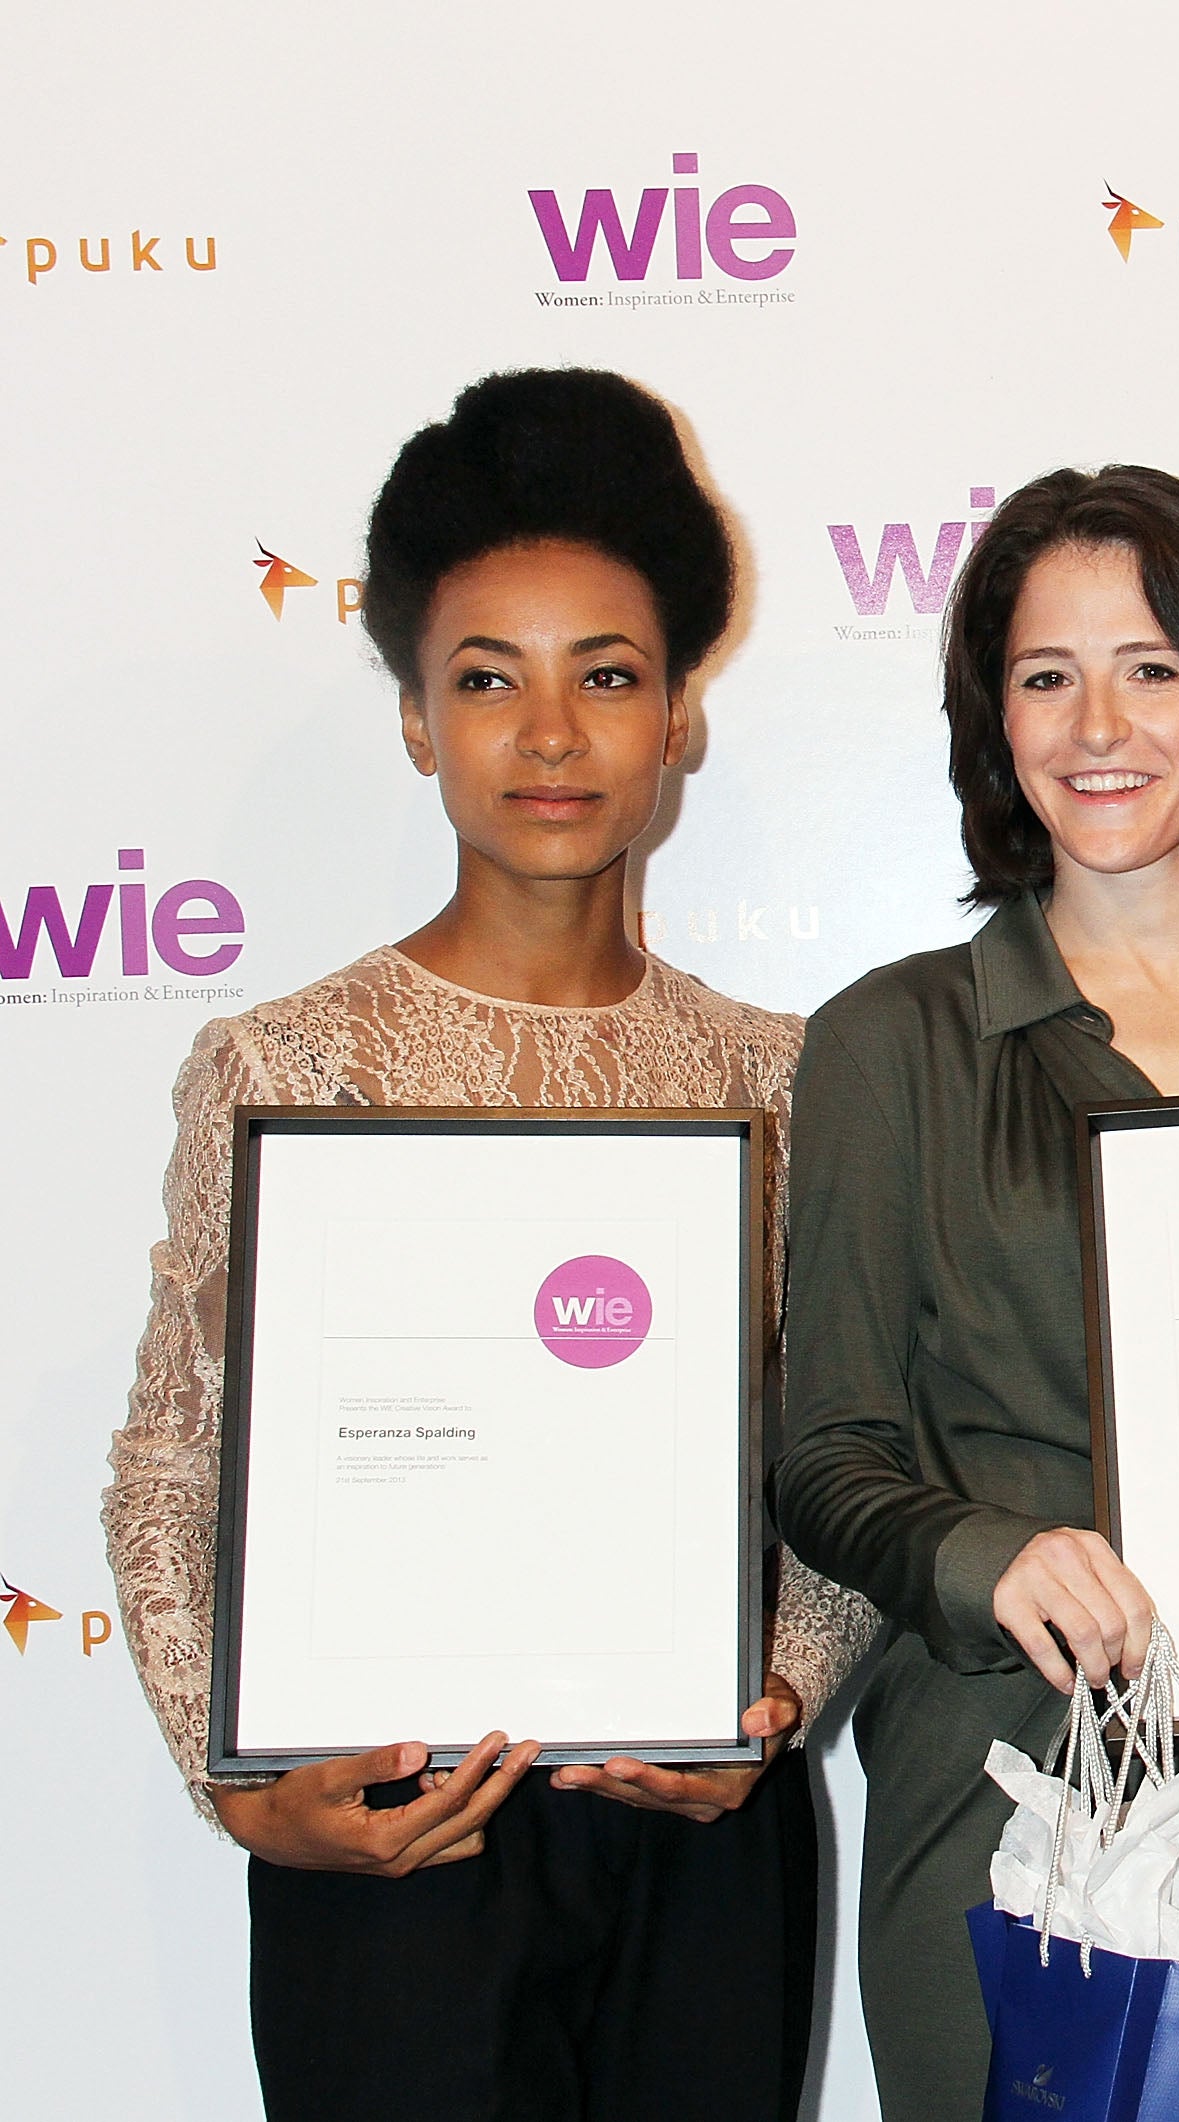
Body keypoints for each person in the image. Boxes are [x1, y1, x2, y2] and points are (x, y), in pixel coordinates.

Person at [103, 368, 877, 2121]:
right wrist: (234, 1783)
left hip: (693, 1832)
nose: (549, 735)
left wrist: (777, 1693)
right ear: (412, 722)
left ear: (680, 713)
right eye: (485, 679)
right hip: (392, 1829)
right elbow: (173, 1457)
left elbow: (848, 1450)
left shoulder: (784, 1075)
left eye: (606, 675)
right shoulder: (286, 1067)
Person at [772, 464, 1179, 2122]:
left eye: (1152, 665)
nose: (1096, 722)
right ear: (995, 723)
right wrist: (994, 1557)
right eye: (1044, 675)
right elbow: (827, 1450)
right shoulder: (889, 1042)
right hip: (1000, 1776)